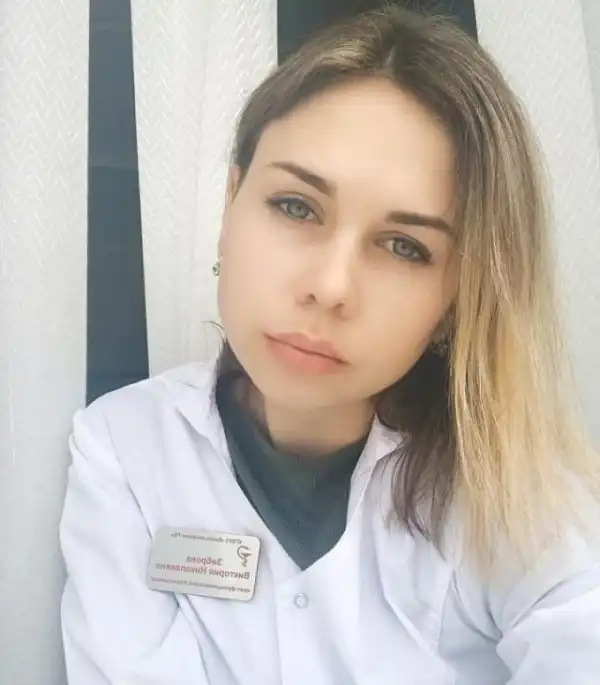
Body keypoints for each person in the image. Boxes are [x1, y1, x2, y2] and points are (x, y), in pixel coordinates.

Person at [60, 5, 600, 684]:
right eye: (296, 206)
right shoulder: (125, 450)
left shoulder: (519, 490)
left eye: (404, 246)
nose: (330, 286)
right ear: (230, 205)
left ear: (458, 297)